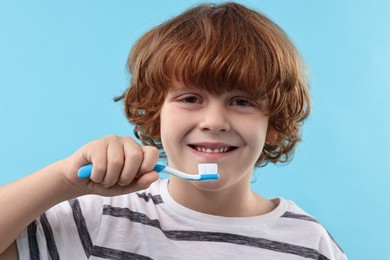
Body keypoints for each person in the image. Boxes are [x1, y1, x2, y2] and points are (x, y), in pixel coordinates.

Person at [0, 2, 347, 259]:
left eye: (241, 102)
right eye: (191, 98)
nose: (214, 121)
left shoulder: (309, 242)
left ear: (273, 124)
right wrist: (64, 179)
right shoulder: (100, 219)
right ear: (155, 114)